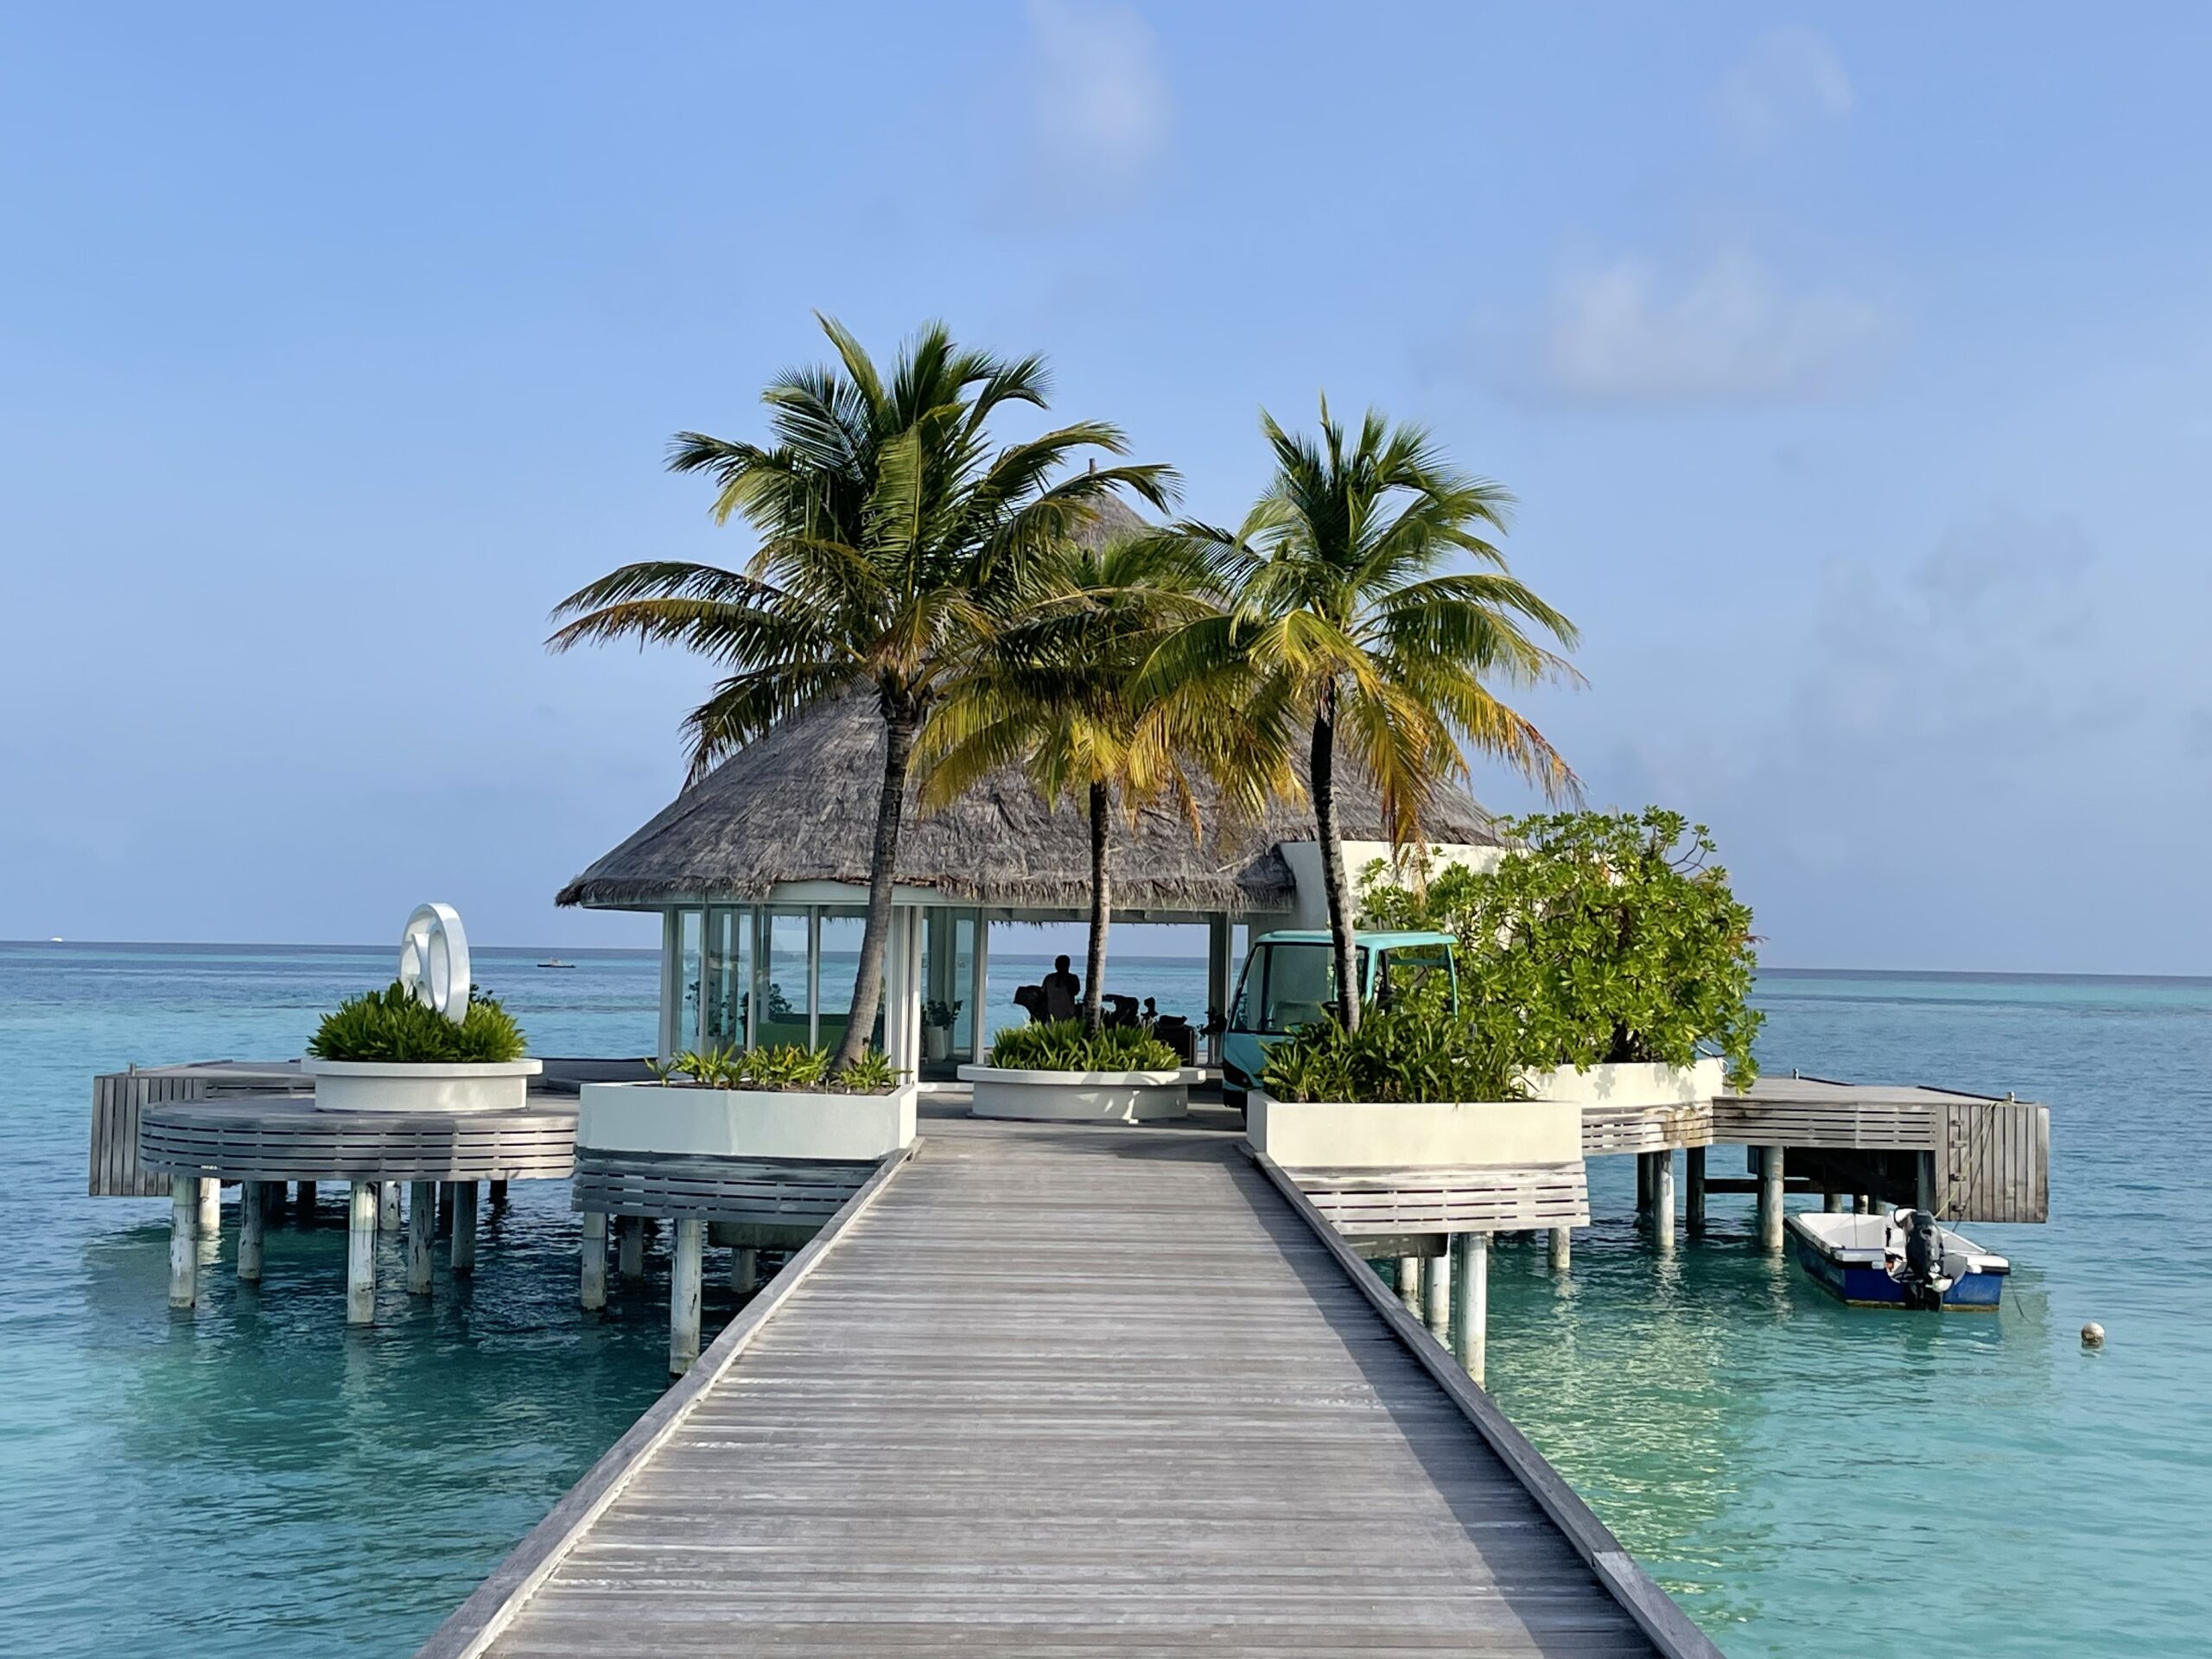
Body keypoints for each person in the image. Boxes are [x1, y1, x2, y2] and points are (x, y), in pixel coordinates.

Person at [1042, 954, 1082, 1021]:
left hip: (1068, 1014)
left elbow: (1075, 991)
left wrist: (1066, 980)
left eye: (1061, 964)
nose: (1057, 965)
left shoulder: (1072, 978)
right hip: (1051, 1015)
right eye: (1057, 963)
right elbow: (1043, 994)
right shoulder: (1049, 978)